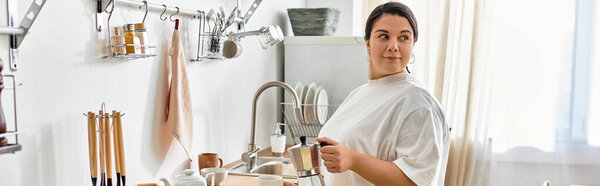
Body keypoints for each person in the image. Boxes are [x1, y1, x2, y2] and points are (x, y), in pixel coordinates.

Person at [285, 2, 450, 186]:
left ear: (412, 46)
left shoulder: (419, 103)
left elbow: (417, 181)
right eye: (384, 36)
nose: (393, 46)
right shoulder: (360, 93)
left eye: (404, 38)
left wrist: (353, 160)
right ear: (368, 44)